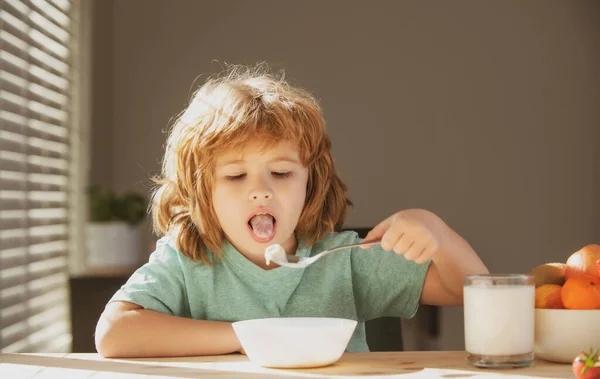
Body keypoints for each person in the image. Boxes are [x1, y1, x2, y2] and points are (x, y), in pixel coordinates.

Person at [95, 64, 489, 358]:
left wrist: (436, 231)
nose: (260, 192)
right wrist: (251, 336)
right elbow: (114, 334)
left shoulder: (345, 261)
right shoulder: (186, 262)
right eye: (235, 177)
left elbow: (475, 294)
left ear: (310, 182)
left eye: (281, 173)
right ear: (202, 191)